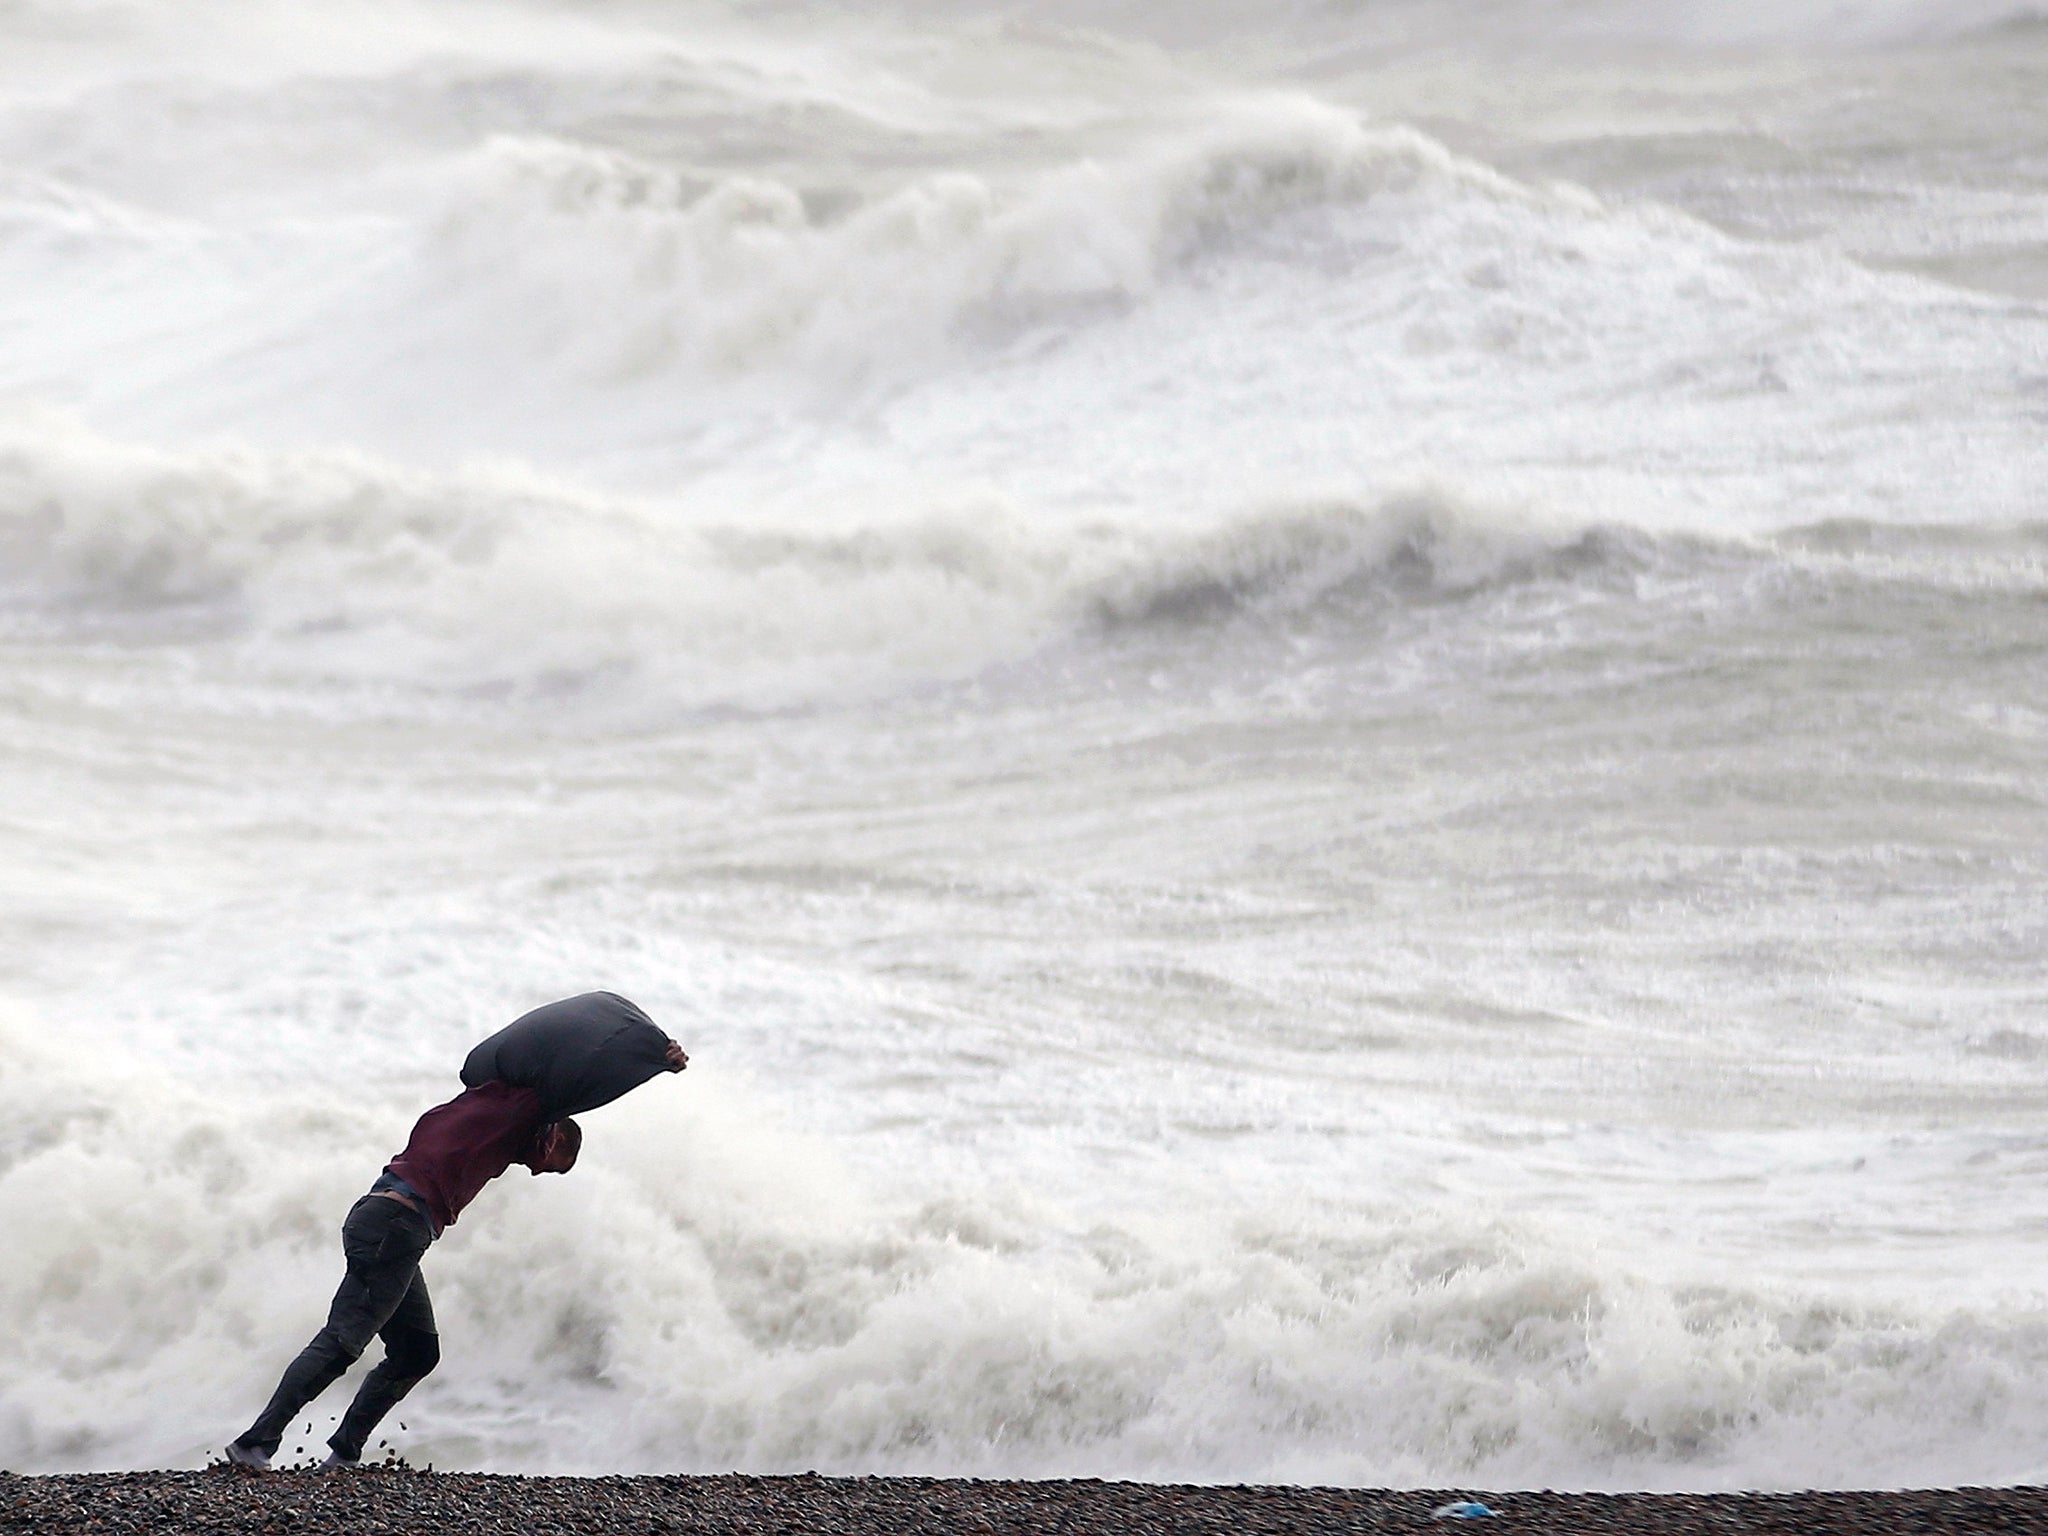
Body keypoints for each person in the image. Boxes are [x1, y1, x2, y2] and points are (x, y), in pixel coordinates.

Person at [225, 992, 687, 1470]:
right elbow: (588, 1084)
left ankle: (343, 1453)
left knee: (417, 1352)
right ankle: (255, 1443)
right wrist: (656, 1059)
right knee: (344, 1340)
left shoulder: (482, 1102)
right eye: (553, 1167)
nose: (536, 1172)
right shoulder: (529, 1114)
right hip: (396, 1226)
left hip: (385, 1220)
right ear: (555, 1138)